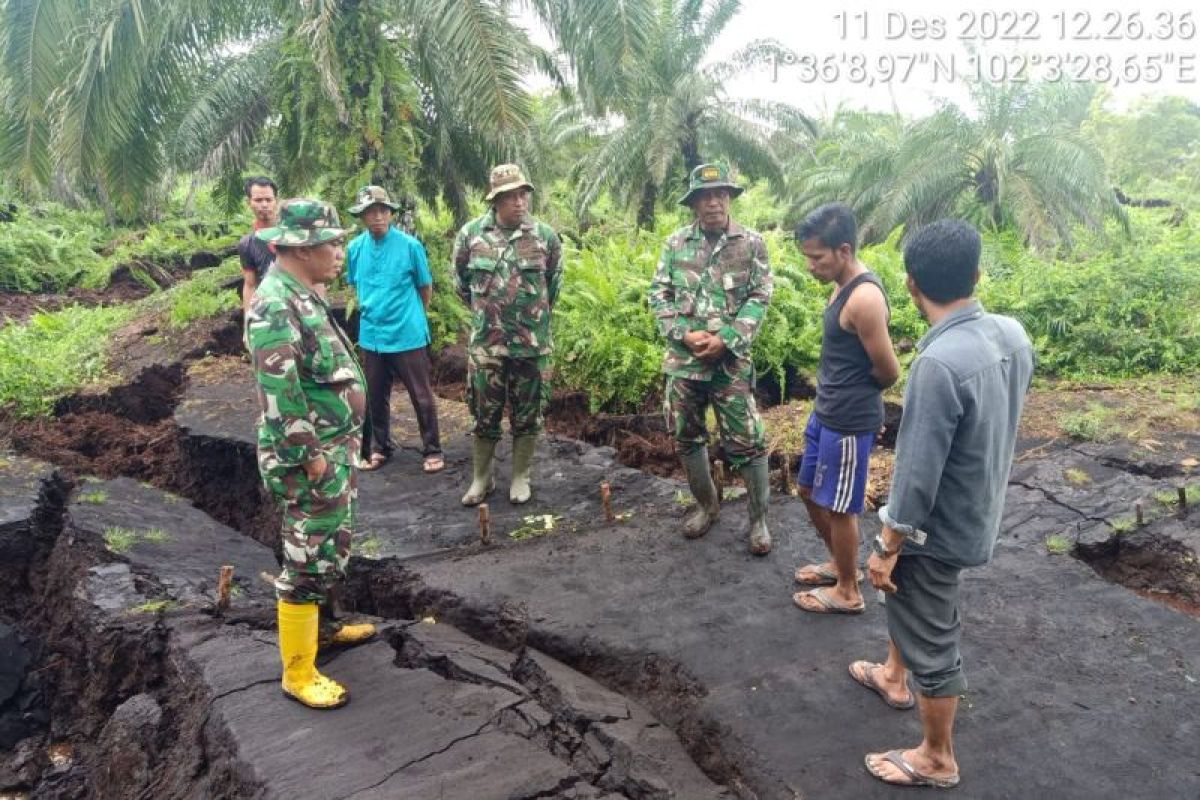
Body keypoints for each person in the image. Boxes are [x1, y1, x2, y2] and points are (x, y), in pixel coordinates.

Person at [855, 219, 1034, 789]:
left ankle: (937, 757)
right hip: (980, 507)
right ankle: (891, 673)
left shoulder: (937, 365)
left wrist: (888, 543)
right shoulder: (1010, 334)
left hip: (938, 528)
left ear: (909, 285)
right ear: (976, 274)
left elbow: (915, 477)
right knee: (910, 606)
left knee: (932, 633)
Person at [247, 199, 377, 710]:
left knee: (329, 543)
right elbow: (279, 391)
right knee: (306, 554)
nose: (339, 252)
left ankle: (324, 630)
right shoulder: (275, 303)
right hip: (309, 455)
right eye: (331, 243)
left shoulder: (304, 293)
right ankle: (297, 671)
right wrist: (310, 458)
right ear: (301, 249)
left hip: (332, 448)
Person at [648, 163, 774, 554]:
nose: (714, 202)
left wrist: (728, 339)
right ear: (694, 204)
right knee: (686, 436)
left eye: (720, 194)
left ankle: (759, 523)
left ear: (729, 198)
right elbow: (658, 295)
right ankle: (707, 507)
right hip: (684, 364)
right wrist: (683, 333)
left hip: (729, 364)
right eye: (705, 196)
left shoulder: (751, 244)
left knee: (748, 441)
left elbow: (760, 296)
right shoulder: (675, 244)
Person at [792, 203, 899, 614]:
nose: (810, 266)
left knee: (840, 507)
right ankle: (841, 565)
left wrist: (855, 400)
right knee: (807, 491)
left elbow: (888, 371)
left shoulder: (865, 299)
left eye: (816, 257)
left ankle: (849, 591)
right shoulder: (842, 283)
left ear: (844, 250)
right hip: (826, 412)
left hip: (848, 421)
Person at [453, 164, 562, 506]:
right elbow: (461, 285)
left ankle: (520, 476)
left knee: (528, 415)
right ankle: (481, 479)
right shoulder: (471, 235)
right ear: (495, 199)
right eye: (510, 196)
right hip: (488, 347)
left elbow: (553, 286)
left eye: (522, 194)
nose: (518, 202)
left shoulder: (545, 236)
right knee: (484, 415)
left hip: (531, 347)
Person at [345, 185, 443, 474]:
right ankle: (380, 446)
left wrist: (414, 316)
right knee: (374, 394)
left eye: (381, 210)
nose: (376, 217)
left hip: (406, 332)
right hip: (372, 334)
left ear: (390, 213)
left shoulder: (410, 246)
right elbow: (356, 285)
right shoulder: (355, 249)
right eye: (369, 212)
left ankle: (432, 448)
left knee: (420, 394)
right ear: (362, 217)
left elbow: (425, 287)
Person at [238, 176, 278, 316]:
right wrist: (248, 322)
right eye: (258, 200)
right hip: (270, 313)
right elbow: (250, 285)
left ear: (276, 201)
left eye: (268, 199)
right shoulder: (247, 244)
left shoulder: (294, 235)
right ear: (249, 202)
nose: (264, 204)